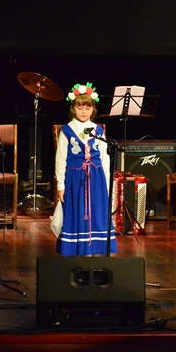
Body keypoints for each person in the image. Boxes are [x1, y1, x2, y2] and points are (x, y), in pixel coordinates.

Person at [54, 82, 116, 255]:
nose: (83, 111)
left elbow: (104, 159)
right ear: (73, 108)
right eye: (79, 107)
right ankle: (80, 250)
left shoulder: (98, 130)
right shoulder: (67, 130)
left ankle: (97, 249)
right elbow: (60, 160)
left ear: (93, 109)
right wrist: (61, 186)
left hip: (96, 178)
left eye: (87, 107)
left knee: (96, 212)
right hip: (75, 178)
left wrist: (107, 184)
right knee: (78, 212)